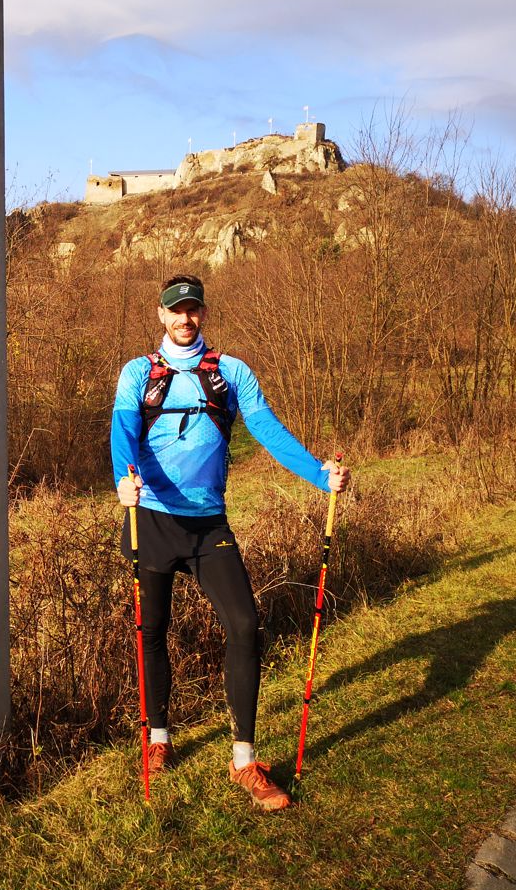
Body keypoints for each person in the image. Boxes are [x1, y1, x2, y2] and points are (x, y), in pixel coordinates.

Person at [111, 272, 349, 812]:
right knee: (152, 630)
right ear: (160, 315)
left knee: (244, 624)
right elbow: (122, 430)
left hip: (209, 525)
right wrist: (122, 477)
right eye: (176, 310)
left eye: (193, 310)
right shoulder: (136, 373)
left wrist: (319, 475)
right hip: (149, 519)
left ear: (203, 314)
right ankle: (159, 741)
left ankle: (244, 760)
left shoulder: (232, 373)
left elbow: (269, 431)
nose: (184, 319)